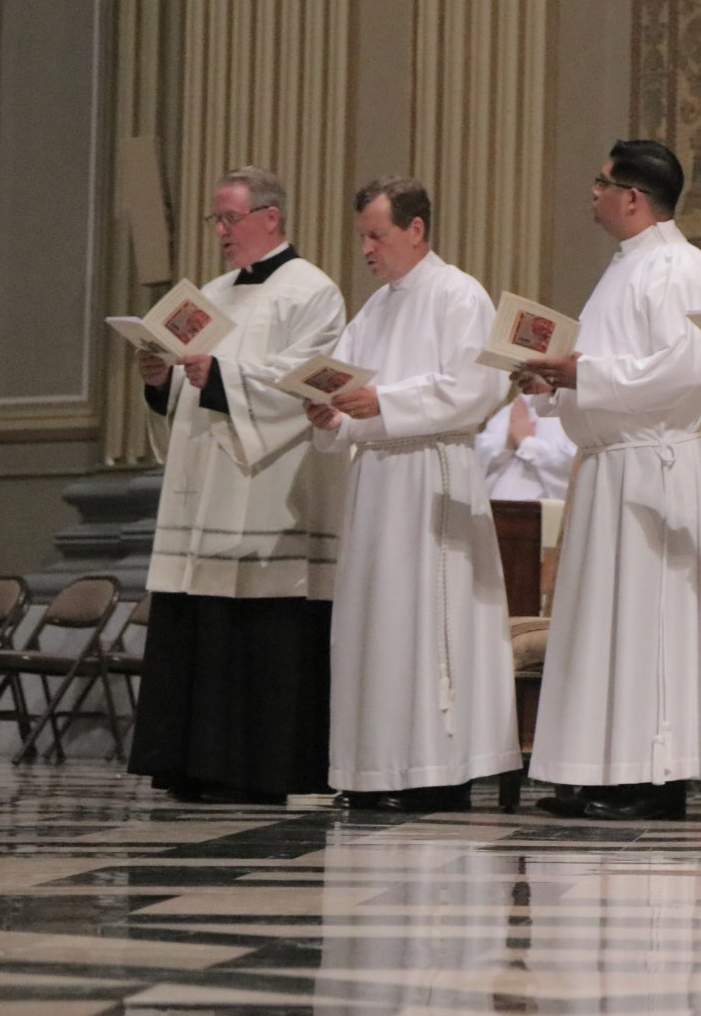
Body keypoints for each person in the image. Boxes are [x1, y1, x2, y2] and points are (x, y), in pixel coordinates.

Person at [514, 140, 701, 821]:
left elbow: (688, 365)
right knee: (603, 626)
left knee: (648, 625)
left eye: (601, 182)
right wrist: (553, 382)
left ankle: (653, 775)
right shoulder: (623, 267)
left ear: (632, 195)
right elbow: (610, 363)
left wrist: (583, 374)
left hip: (651, 463)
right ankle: (601, 769)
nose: (592, 194)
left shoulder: (679, 264)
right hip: (610, 463)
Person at [129, 167, 346, 805]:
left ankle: (256, 770)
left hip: (266, 490)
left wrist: (221, 376)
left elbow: (306, 379)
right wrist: (158, 379)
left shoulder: (315, 292)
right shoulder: (206, 295)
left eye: (230, 218)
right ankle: (190, 764)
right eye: (216, 220)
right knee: (198, 617)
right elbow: (181, 396)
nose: (221, 232)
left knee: (257, 626)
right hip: (202, 486)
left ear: (270, 218)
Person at [305, 178, 519, 812]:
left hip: (432, 472)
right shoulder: (371, 310)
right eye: (363, 237)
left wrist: (384, 402)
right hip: (375, 481)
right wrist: (330, 418)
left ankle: (435, 768)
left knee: (428, 623)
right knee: (376, 625)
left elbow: (478, 388)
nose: (367, 249)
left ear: (416, 229)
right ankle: (374, 768)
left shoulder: (459, 295)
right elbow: (345, 393)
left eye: (378, 234)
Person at [473, 397, 576, 500]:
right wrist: (507, 445)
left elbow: (574, 463)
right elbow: (478, 451)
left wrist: (526, 442)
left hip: (541, 509)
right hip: (495, 504)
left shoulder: (577, 409)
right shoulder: (521, 402)